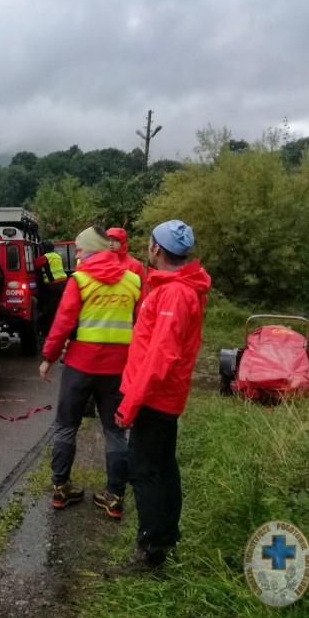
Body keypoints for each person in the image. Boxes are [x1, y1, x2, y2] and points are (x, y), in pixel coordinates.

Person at [114, 220, 211, 571]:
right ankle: (166, 537)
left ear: (156, 249)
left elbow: (160, 357)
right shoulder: (176, 286)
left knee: (145, 473)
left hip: (154, 398)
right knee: (164, 468)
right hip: (162, 397)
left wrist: (130, 403)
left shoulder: (174, 293)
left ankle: (151, 550)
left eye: (149, 243)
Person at [39, 226, 142, 518]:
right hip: (117, 369)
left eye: (81, 249)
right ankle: (114, 497)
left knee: (66, 425)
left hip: (79, 367)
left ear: (92, 250)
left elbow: (63, 322)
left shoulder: (80, 280)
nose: (78, 254)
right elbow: (140, 325)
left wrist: (48, 356)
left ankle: (61, 488)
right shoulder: (133, 281)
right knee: (115, 431)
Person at [34, 239, 68, 335]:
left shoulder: (44, 258)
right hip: (63, 284)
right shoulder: (57, 256)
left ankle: (51, 331)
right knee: (59, 307)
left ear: (44, 249)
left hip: (53, 286)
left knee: (51, 310)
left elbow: (35, 264)